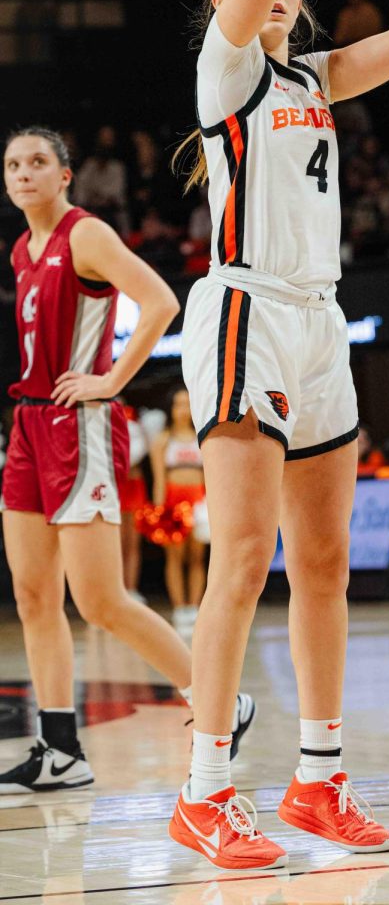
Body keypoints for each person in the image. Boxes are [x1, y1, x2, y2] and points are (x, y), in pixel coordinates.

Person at [168, 0, 389, 869]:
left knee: (323, 563)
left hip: (317, 317)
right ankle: (203, 791)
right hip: (243, 307)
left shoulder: (313, 77)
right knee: (240, 560)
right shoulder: (230, 72)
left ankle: (319, 781)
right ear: (233, 1)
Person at [0, 128, 254, 794]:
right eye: (13, 165)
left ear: (65, 175)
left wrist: (110, 380)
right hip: (28, 423)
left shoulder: (84, 236)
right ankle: (60, 751)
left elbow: (162, 303)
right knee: (33, 596)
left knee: (101, 600)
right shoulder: (22, 248)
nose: (24, 174)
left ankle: (221, 697)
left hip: (78, 426)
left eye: (37, 163)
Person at [150, 388, 207, 627]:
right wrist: (159, 509)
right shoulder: (163, 439)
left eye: (187, 404)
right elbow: (159, 479)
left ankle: (194, 607)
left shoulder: (203, 437)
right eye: (178, 404)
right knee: (174, 557)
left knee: (197, 557)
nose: (183, 410)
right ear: (171, 409)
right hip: (173, 499)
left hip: (199, 500)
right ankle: (179, 607)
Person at [119, 402, 149, 599]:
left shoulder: (136, 421)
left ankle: (131, 590)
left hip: (135, 484)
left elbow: (139, 452)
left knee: (133, 544)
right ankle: (117, 591)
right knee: (117, 544)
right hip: (115, 485)